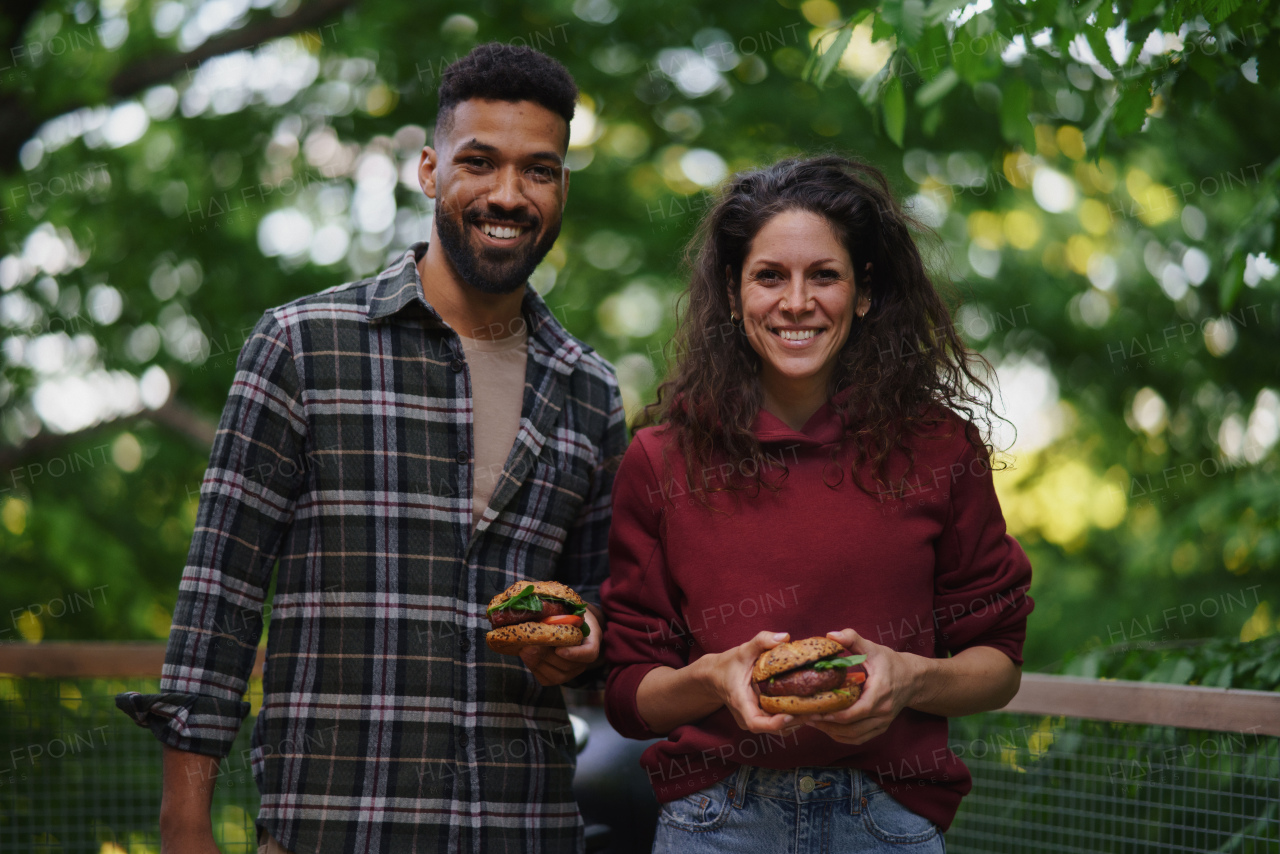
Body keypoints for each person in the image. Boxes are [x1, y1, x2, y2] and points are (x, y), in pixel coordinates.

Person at [115, 43, 626, 854]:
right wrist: (185, 825)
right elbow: (221, 596)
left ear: (562, 186)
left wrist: (586, 643)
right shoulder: (302, 346)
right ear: (430, 171)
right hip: (335, 825)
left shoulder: (589, 390)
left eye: (539, 170)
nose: (508, 194)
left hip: (521, 826)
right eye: (479, 162)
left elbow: (604, 610)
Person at [601, 155, 1034, 853]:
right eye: (770, 275)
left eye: (823, 275)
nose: (796, 302)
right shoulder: (660, 460)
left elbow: (999, 666)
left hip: (887, 823)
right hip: (716, 822)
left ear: (863, 293)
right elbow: (626, 691)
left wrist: (909, 677)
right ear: (734, 294)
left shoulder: (941, 450)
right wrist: (712, 678)